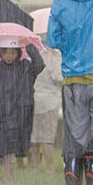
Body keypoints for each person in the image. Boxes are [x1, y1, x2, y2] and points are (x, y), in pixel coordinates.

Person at [47, 0, 93, 185]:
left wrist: (73, 46)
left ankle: (72, 179)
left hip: (72, 80)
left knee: (74, 136)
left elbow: (53, 39)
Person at [0, 37, 44, 183]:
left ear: (18, 53)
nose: (9, 56)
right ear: (0, 52)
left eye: (13, 53)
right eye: (6, 53)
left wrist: (30, 46)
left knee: (10, 148)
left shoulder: (24, 66)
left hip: (16, 115)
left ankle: (8, 177)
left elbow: (39, 65)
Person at [29, 42, 62, 173]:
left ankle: (35, 167)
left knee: (35, 136)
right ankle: (49, 167)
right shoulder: (54, 56)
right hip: (50, 101)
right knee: (48, 137)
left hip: (34, 99)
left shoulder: (31, 54)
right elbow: (58, 78)